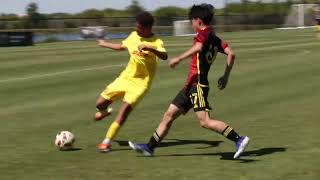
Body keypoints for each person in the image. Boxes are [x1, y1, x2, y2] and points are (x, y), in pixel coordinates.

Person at [129, 4, 249, 159]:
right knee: (169, 115)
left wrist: (178, 58)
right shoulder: (214, 37)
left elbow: (198, 48)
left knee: (205, 121)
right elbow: (231, 54)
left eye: (191, 21)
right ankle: (149, 147)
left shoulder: (203, 34)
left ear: (198, 20)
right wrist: (225, 76)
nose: (191, 24)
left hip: (197, 84)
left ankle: (239, 139)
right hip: (190, 85)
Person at [95, 11, 168, 152]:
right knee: (100, 104)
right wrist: (104, 44)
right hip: (125, 78)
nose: (136, 29)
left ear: (148, 28)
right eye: (136, 26)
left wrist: (150, 48)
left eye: (139, 27)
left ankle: (106, 142)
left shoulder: (157, 42)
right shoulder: (134, 35)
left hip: (140, 85)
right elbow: (121, 46)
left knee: (123, 112)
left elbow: (164, 56)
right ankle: (104, 112)